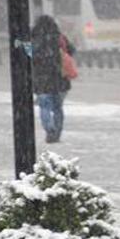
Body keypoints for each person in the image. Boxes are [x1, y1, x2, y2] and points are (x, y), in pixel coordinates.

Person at [31, 15, 74, 143]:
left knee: (44, 106)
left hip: (41, 79)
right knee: (58, 108)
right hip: (59, 77)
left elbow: (29, 54)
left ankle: (49, 129)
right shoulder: (59, 37)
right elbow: (71, 50)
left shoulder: (34, 38)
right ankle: (57, 131)